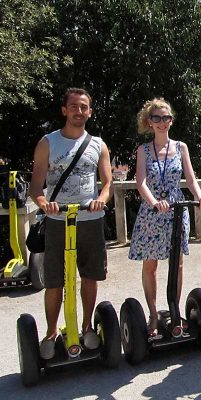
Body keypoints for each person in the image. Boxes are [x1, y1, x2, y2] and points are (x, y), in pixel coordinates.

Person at [29, 88, 112, 359]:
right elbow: (36, 187)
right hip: (57, 220)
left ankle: (87, 326)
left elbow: (108, 182)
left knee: (90, 276)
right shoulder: (48, 143)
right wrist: (44, 204)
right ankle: (52, 332)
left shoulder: (98, 144)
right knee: (55, 281)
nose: (79, 111)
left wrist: (101, 198)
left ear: (90, 111)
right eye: (74, 106)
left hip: (90, 219)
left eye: (84, 107)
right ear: (64, 110)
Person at [128, 98, 201, 340]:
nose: (162, 122)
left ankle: (174, 311)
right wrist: (154, 202)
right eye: (157, 118)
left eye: (166, 118)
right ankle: (153, 314)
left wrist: (200, 197)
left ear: (171, 121)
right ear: (149, 122)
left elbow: (191, 178)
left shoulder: (181, 147)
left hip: (176, 208)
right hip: (153, 211)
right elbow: (140, 181)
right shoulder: (143, 150)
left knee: (177, 263)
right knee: (150, 264)